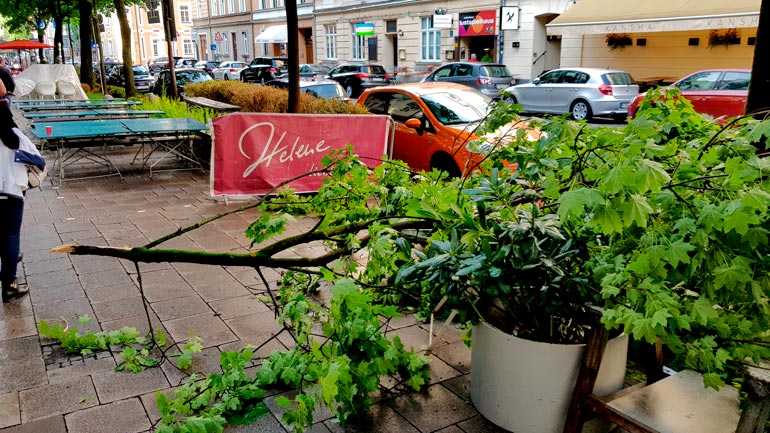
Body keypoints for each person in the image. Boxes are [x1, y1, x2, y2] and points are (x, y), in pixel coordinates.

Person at [1, 96, 45, 303]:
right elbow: (34, 158)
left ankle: (7, 261)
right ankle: (9, 285)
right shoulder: (11, 134)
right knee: (10, 234)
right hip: (8, 189)